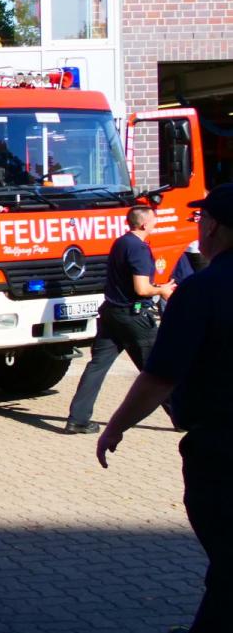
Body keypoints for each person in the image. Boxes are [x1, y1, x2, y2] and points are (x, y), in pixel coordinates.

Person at [97, 184, 233, 632]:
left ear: (214, 227)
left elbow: (160, 377)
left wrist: (116, 426)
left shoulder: (202, 291)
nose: (199, 228)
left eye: (201, 220)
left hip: (222, 453)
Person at [64, 206, 176, 434]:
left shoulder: (122, 242)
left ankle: (77, 420)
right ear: (144, 224)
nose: (156, 222)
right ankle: (183, 417)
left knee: (97, 367)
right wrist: (162, 290)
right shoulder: (139, 249)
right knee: (158, 369)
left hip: (111, 314)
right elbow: (141, 288)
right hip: (133, 317)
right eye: (154, 219)